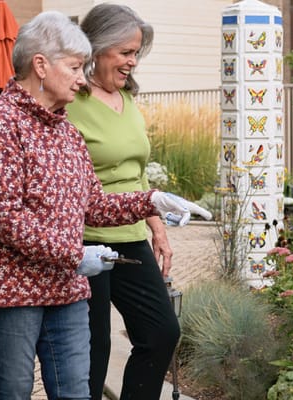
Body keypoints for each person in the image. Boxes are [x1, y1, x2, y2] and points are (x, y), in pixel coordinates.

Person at [0, 11, 209, 400]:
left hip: (65, 287)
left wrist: (150, 201)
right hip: (9, 290)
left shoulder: (65, 131)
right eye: (74, 67)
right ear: (40, 65)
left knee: (76, 392)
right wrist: (73, 255)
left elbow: (93, 205)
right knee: (13, 391)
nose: (80, 77)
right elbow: (4, 217)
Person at [64, 4, 177, 399]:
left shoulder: (128, 101)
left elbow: (138, 173)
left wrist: (157, 229)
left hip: (129, 239)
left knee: (161, 332)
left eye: (136, 53)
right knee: (93, 351)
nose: (132, 61)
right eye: (126, 52)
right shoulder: (70, 103)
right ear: (98, 47)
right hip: (86, 242)